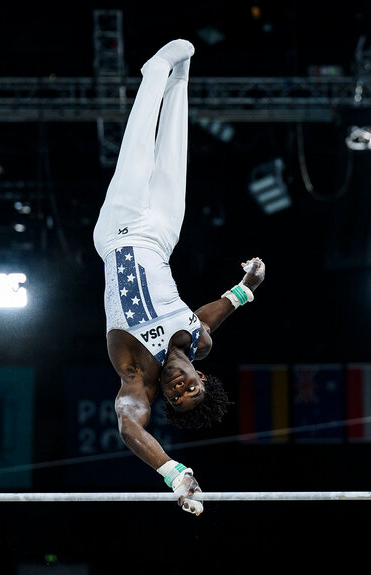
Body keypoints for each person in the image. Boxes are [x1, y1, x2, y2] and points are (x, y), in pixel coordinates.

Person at [93, 39, 265, 515]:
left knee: (138, 147)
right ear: (200, 375)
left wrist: (174, 472)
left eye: (176, 397)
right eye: (192, 388)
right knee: (174, 151)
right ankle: (181, 75)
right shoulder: (199, 341)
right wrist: (247, 287)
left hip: (120, 232)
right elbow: (209, 313)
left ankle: (154, 75)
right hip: (163, 236)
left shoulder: (136, 375)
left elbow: (130, 427)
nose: (179, 387)